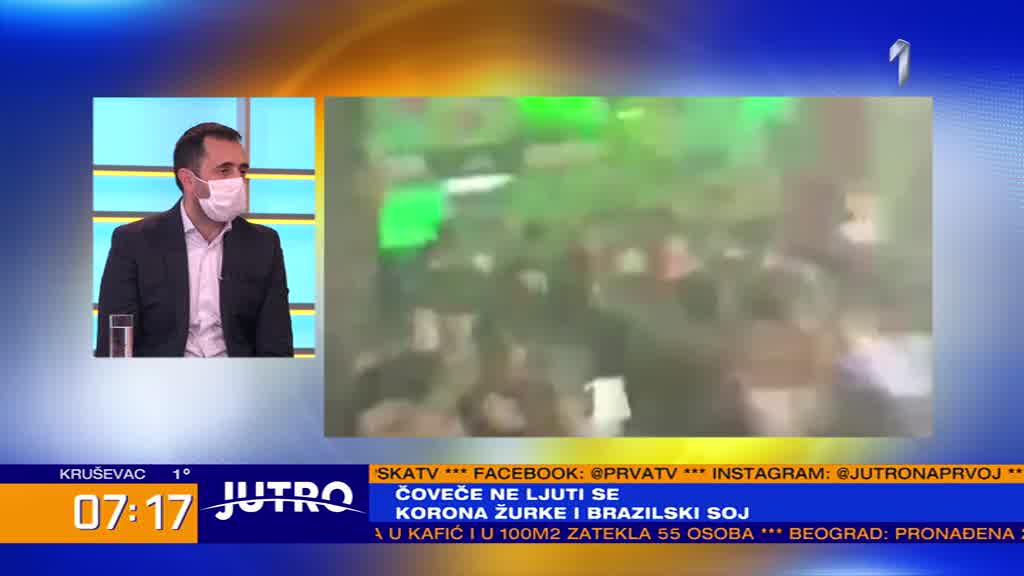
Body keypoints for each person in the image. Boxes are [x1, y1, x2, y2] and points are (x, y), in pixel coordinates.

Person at [95, 123, 293, 357]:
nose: (238, 181)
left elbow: (276, 343)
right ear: (188, 180)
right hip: (161, 376)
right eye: (224, 171)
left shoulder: (264, 244)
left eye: (242, 171)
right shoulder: (134, 242)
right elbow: (116, 344)